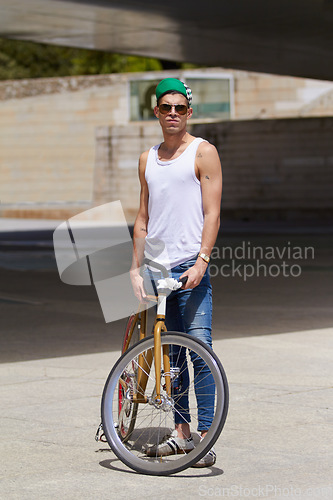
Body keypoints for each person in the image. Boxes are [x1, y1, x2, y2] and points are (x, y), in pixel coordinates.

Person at [130, 78, 222, 467]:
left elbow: (212, 212)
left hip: (189, 266)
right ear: (155, 111)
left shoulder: (204, 153)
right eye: (166, 107)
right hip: (156, 266)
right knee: (170, 358)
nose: (172, 113)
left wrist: (202, 260)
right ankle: (181, 436)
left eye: (179, 108)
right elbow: (143, 219)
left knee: (200, 350)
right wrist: (135, 269)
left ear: (188, 111)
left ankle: (202, 437)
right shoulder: (146, 159)